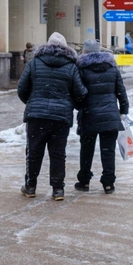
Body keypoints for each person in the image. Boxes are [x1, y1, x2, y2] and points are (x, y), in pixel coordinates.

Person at [17, 32, 87, 201]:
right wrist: (70, 104)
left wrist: (32, 102)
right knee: (58, 153)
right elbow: (81, 92)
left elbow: (21, 88)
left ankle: (30, 186)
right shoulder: (71, 66)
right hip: (60, 118)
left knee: (34, 152)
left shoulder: (34, 63)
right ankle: (58, 189)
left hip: (36, 117)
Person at [74, 40, 129, 195]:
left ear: (85, 52)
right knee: (108, 150)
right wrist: (123, 110)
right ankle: (108, 183)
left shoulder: (81, 68)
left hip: (89, 115)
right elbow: (121, 91)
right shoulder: (112, 67)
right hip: (110, 115)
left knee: (86, 149)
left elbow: (79, 93)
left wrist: (80, 107)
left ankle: (84, 181)